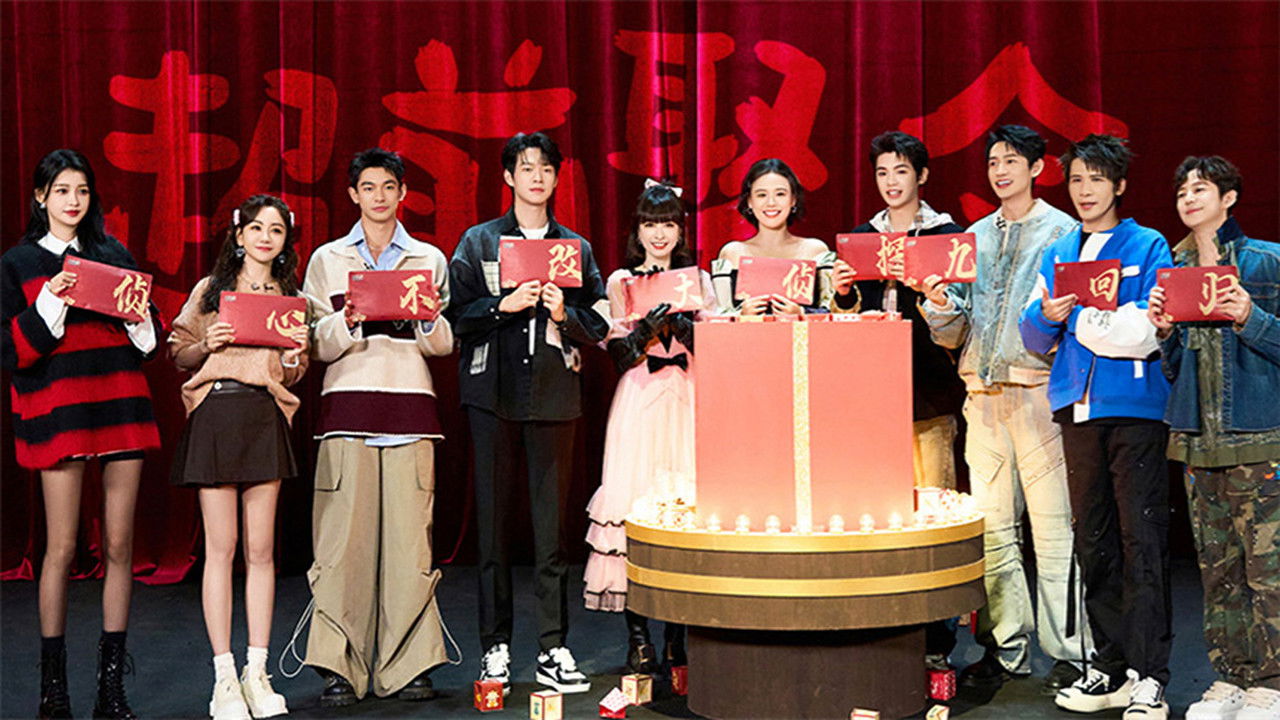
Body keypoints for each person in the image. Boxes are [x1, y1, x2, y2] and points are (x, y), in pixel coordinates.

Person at [920, 125, 1091, 694]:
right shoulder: (973, 236)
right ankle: (1005, 647)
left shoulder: (1062, 232)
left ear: (1037, 169)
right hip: (982, 397)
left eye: (1012, 161)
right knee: (993, 532)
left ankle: (1069, 652)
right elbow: (955, 332)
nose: (1000, 171)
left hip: (1038, 394)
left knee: (1053, 531)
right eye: (993, 162)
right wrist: (938, 306)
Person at [1, 149, 161, 720]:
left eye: (83, 191)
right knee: (62, 547)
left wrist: (139, 317)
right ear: (41, 196)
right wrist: (51, 300)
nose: (73, 201)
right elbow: (11, 351)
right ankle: (55, 689)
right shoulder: (18, 263)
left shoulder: (112, 254)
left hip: (120, 403)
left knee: (120, 545)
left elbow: (148, 342)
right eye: (62, 190)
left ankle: (110, 688)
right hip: (59, 410)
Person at [448, 131, 608, 695]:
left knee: (551, 532)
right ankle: (494, 647)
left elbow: (600, 324)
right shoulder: (479, 241)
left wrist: (565, 314)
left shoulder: (576, 248)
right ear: (508, 177)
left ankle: (552, 646)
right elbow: (454, 317)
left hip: (554, 395)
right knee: (492, 529)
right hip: (490, 396)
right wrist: (503, 305)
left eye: (546, 168)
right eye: (526, 168)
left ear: (556, 178)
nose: (536, 177)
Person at [1019, 135, 1173, 719]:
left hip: (1133, 407)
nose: (1085, 191)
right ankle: (1109, 665)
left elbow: (1144, 330)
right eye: (1077, 180)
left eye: (1097, 179)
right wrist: (1047, 315)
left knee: (1142, 541)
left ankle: (1150, 675)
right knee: (1094, 541)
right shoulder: (1059, 252)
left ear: (1120, 185)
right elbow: (1031, 336)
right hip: (1075, 407)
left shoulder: (1147, 243)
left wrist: (1078, 317)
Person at [300, 148, 453, 707]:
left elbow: (443, 344)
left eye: (389, 186)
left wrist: (426, 318)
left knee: (411, 545)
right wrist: (348, 319)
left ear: (403, 193)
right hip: (347, 411)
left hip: (411, 410)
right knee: (343, 545)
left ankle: (408, 667)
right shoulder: (328, 259)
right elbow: (314, 343)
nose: (379, 196)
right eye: (369, 187)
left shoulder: (427, 258)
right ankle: (338, 666)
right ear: (353, 194)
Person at [169, 195, 310, 720]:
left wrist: (294, 355)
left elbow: (292, 373)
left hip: (264, 415)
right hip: (217, 412)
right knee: (221, 547)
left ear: (285, 241)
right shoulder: (211, 290)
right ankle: (223, 676)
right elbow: (178, 352)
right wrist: (208, 342)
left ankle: (258, 670)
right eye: (256, 228)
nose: (265, 238)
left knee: (261, 549)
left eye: (276, 230)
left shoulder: (291, 298)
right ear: (239, 234)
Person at [1150, 157, 1280, 720]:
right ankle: (1231, 677)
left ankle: (1272, 683)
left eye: (1200, 188)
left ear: (1229, 197)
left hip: (1259, 436)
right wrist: (1164, 335)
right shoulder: (1175, 270)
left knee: (1268, 571)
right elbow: (1176, 369)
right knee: (1218, 571)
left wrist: (1251, 317)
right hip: (1197, 443)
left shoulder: (1266, 261)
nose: (1188, 198)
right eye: (1181, 190)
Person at [840, 131, 968, 670]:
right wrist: (844, 291)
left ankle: (936, 639)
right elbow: (843, 320)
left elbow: (962, 318)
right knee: (877, 514)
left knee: (932, 511)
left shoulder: (948, 237)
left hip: (930, 392)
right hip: (870, 396)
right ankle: (881, 630)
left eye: (901, 171)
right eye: (882, 173)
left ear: (922, 176)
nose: (891, 182)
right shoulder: (861, 238)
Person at [583, 180, 714, 674]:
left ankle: (678, 638)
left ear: (680, 230)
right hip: (638, 401)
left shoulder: (698, 280)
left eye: (668, 224)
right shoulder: (621, 282)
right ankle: (638, 639)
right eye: (650, 224)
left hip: (688, 398)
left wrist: (685, 328)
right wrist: (642, 333)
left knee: (684, 509)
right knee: (632, 510)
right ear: (637, 230)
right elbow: (616, 355)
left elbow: (719, 350)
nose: (659, 234)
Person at [711, 158, 835, 314]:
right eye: (761, 195)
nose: (771, 203)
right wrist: (742, 315)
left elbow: (833, 313)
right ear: (749, 201)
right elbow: (719, 316)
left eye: (780, 194)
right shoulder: (732, 252)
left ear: (793, 200)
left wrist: (801, 314)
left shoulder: (816, 250)